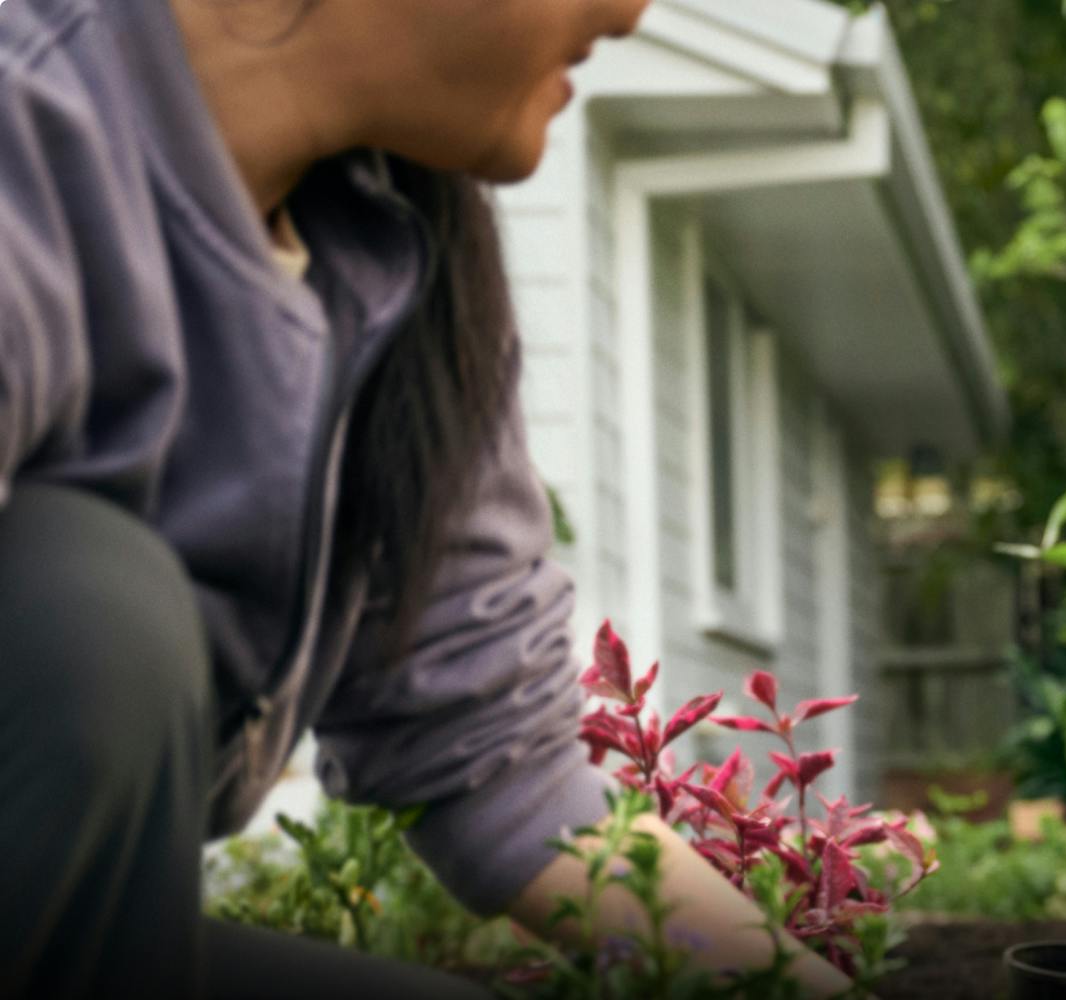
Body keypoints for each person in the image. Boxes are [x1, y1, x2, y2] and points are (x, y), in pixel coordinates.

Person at [0, 0, 856, 996]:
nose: (630, 12)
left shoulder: (388, 245)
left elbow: (501, 762)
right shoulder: (28, 120)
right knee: (90, 611)